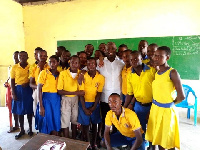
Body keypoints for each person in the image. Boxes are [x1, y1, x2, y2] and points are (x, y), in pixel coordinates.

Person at [145, 46, 185, 150]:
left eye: (160, 56)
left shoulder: (172, 73)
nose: (156, 58)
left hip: (167, 111)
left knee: (168, 140)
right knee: (158, 139)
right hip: (155, 109)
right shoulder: (157, 72)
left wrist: (169, 104)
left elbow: (181, 96)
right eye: (155, 55)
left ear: (167, 57)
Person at [124, 51, 156, 135]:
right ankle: (142, 145)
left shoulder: (152, 71)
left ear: (141, 59)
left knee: (152, 129)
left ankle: (152, 147)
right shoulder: (130, 75)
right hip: (138, 106)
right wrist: (124, 108)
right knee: (140, 128)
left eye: (136, 59)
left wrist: (154, 106)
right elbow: (130, 93)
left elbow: (158, 90)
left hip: (153, 105)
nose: (133, 61)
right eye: (131, 60)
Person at [97, 42, 124, 136]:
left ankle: (116, 138)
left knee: (118, 119)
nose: (110, 51)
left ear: (115, 49)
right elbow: (89, 69)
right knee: (105, 118)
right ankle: (105, 138)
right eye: (108, 49)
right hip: (105, 97)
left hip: (118, 96)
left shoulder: (121, 63)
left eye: (112, 49)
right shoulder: (100, 62)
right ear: (105, 50)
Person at [78, 57, 105, 150]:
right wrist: (84, 108)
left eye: (93, 63)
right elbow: (81, 93)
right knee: (85, 125)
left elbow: (99, 93)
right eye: (89, 64)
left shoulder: (100, 77)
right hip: (83, 103)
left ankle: (94, 144)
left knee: (95, 124)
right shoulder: (82, 76)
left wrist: (93, 107)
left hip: (95, 104)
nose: (91, 66)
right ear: (86, 65)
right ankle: (88, 144)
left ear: (96, 65)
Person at [57, 55, 85, 139]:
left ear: (79, 64)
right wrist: (75, 92)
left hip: (76, 99)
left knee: (74, 119)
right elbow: (59, 91)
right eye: (72, 62)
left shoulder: (81, 74)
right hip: (65, 99)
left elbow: (82, 92)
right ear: (69, 62)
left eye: (76, 63)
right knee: (65, 119)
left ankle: (73, 138)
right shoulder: (63, 73)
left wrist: (81, 77)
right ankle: (66, 138)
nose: (74, 64)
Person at [10, 51, 33, 139]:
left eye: (24, 56)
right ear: (18, 57)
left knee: (29, 110)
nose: (22, 57)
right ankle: (22, 129)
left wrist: (27, 83)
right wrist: (13, 93)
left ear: (27, 57)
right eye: (20, 56)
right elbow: (12, 80)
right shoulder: (15, 67)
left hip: (28, 90)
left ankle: (30, 129)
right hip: (18, 89)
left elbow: (32, 78)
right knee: (20, 111)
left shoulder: (30, 67)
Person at [36, 55, 61, 135]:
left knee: (55, 120)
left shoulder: (60, 74)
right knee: (45, 120)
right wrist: (41, 106)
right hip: (46, 100)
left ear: (58, 63)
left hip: (56, 100)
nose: (52, 64)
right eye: (50, 62)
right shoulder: (44, 73)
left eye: (54, 62)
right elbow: (39, 89)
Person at [29, 50, 49, 117]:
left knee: (47, 112)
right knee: (38, 112)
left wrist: (42, 68)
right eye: (40, 56)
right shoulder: (34, 68)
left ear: (47, 57)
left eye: (44, 56)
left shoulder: (50, 67)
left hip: (48, 92)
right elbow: (31, 83)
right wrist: (39, 87)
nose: (42, 57)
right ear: (37, 56)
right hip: (37, 92)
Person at [5, 51, 19, 133]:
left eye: (17, 57)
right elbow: (9, 78)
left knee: (17, 108)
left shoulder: (21, 67)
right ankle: (15, 125)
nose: (16, 58)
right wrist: (6, 82)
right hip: (9, 89)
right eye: (14, 57)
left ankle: (18, 125)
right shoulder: (11, 67)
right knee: (11, 107)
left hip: (17, 88)